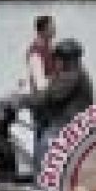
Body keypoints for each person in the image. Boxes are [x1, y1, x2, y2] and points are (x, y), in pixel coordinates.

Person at [23, 38, 94, 173]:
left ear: (68, 60)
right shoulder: (67, 74)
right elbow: (48, 91)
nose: (56, 62)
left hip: (69, 124)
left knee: (46, 144)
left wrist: (21, 101)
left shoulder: (72, 75)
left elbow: (51, 96)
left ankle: (44, 186)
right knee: (41, 132)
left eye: (59, 59)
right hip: (61, 121)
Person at [23, 15, 55, 174]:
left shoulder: (48, 48)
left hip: (45, 99)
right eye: (52, 26)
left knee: (43, 134)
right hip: (40, 101)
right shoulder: (36, 52)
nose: (54, 29)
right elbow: (39, 81)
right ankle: (39, 171)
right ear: (43, 29)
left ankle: (43, 169)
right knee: (42, 135)